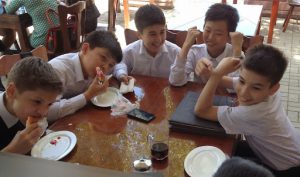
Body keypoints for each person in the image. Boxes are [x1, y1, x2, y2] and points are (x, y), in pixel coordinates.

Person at [194, 44, 300, 177]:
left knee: (223, 163)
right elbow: (229, 82)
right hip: (290, 148)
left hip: (286, 168)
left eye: (255, 88)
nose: (243, 93)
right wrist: (211, 73)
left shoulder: (254, 114)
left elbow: (201, 110)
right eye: (242, 81)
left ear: (273, 88)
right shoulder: (268, 87)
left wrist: (216, 74)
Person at [47, 30, 122, 120]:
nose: (105, 67)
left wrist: (122, 74)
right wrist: (88, 95)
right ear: (85, 49)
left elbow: (118, 66)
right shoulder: (58, 70)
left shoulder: (93, 65)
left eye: (110, 65)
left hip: (81, 117)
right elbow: (47, 112)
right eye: (103, 58)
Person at [169, 3, 244, 86]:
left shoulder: (235, 54)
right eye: (207, 30)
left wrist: (237, 51)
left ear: (229, 36)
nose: (211, 37)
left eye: (218, 34)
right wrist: (186, 46)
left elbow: (238, 88)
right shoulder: (194, 52)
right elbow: (175, 81)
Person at [0, 57, 63, 154]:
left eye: (49, 104)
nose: (44, 113)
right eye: (37, 101)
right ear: (11, 91)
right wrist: (12, 152)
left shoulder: (22, 111)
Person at [113, 4, 180, 84]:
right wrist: (122, 74)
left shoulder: (176, 53)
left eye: (162, 32)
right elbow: (119, 64)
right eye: (152, 34)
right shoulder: (130, 52)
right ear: (139, 35)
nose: (159, 39)